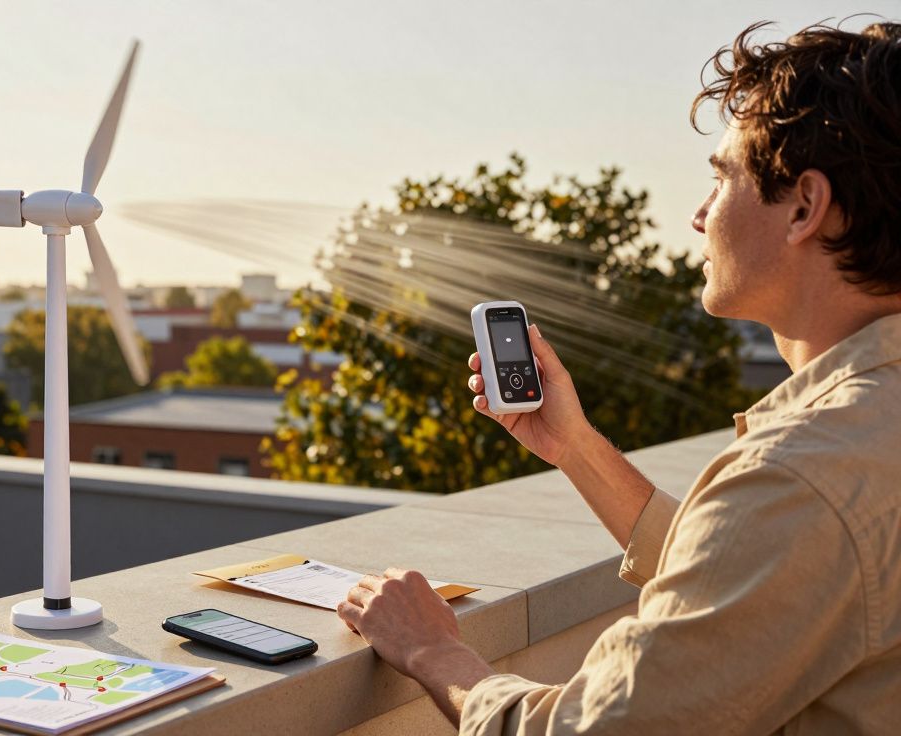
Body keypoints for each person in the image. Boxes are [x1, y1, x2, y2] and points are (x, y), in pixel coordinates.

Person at [337, 19, 901, 735]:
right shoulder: (856, 444)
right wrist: (576, 448)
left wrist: (435, 651)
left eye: (722, 177)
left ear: (803, 207)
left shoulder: (803, 475)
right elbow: (758, 581)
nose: (698, 217)